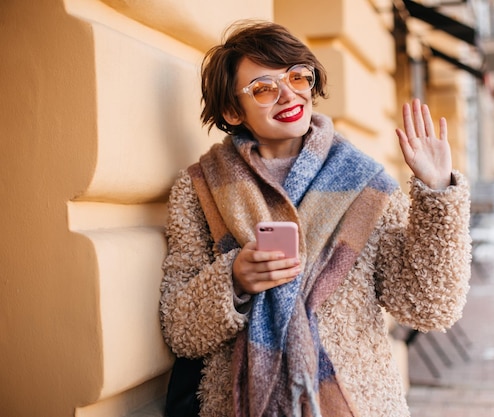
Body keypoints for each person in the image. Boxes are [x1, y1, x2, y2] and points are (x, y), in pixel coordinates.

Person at [159, 19, 472, 417]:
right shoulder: (201, 188)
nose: (288, 94)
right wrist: (233, 280)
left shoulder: (365, 184)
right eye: (263, 88)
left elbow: (431, 306)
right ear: (232, 111)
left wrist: (438, 191)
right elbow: (180, 328)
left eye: (297, 77)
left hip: (354, 405)